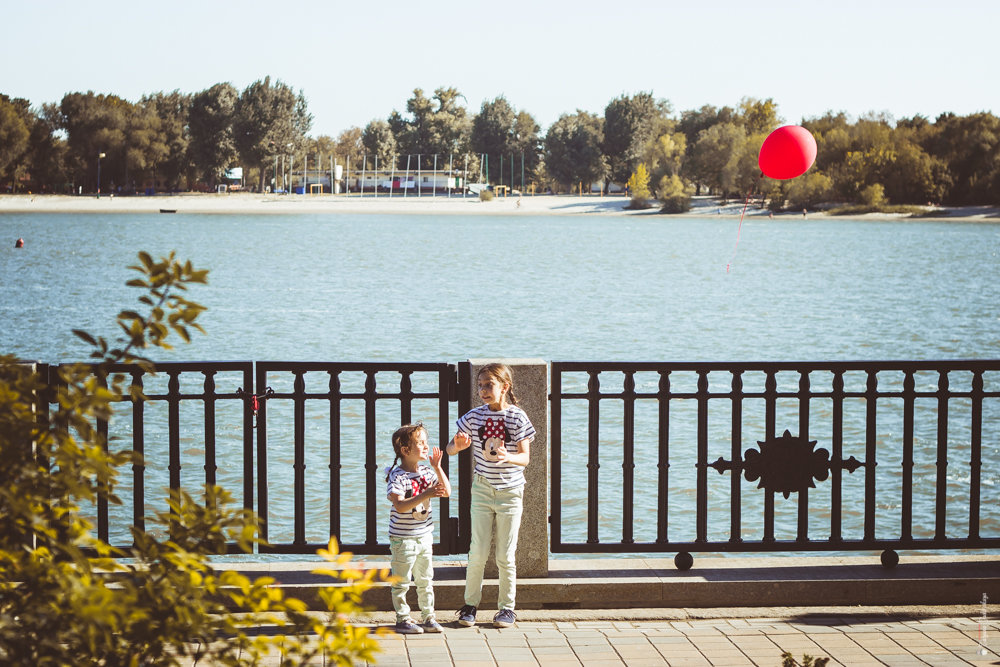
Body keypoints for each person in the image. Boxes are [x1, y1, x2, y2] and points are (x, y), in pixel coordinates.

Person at [447, 363, 535, 629]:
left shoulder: (517, 417)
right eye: (480, 385)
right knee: (478, 552)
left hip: (510, 492)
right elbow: (450, 449)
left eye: (489, 385)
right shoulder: (474, 416)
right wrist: (457, 446)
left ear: (504, 387)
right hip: (483, 490)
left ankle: (507, 608)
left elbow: (526, 458)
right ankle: (470, 606)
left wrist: (510, 456)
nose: (483, 390)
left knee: (505, 555)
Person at [385, 423, 450, 634]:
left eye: (425, 442)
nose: (426, 446)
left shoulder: (425, 472)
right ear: (405, 450)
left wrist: (438, 467)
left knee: (425, 579)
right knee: (401, 581)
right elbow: (400, 505)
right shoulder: (397, 476)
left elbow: (447, 492)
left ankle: (428, 616)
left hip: (424, 535)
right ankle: (403, 618)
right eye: (420, 443)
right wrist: (426, 494)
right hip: (403, 538)